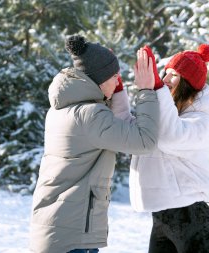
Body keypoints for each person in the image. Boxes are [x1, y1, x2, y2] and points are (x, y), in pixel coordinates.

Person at [29, 35, 159, 253]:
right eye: (114, 75)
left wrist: (114, 91)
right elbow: (145, 140)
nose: (119, 80)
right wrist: (146, 91)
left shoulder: (62, 109)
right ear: (99, 79)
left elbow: (107, 118)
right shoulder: (90, 115)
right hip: (73, 237)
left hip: (56, 229)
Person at [126, 44, 209, 253]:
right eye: (165, 74)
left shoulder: (202, 121)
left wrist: (157, 88)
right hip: (161, 216)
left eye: (174, 75)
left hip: (192, 216)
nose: (167, 79)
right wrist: (117, 92)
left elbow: (171, 136)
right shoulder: (168, 114)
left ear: (188, 83)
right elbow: (134, 132)